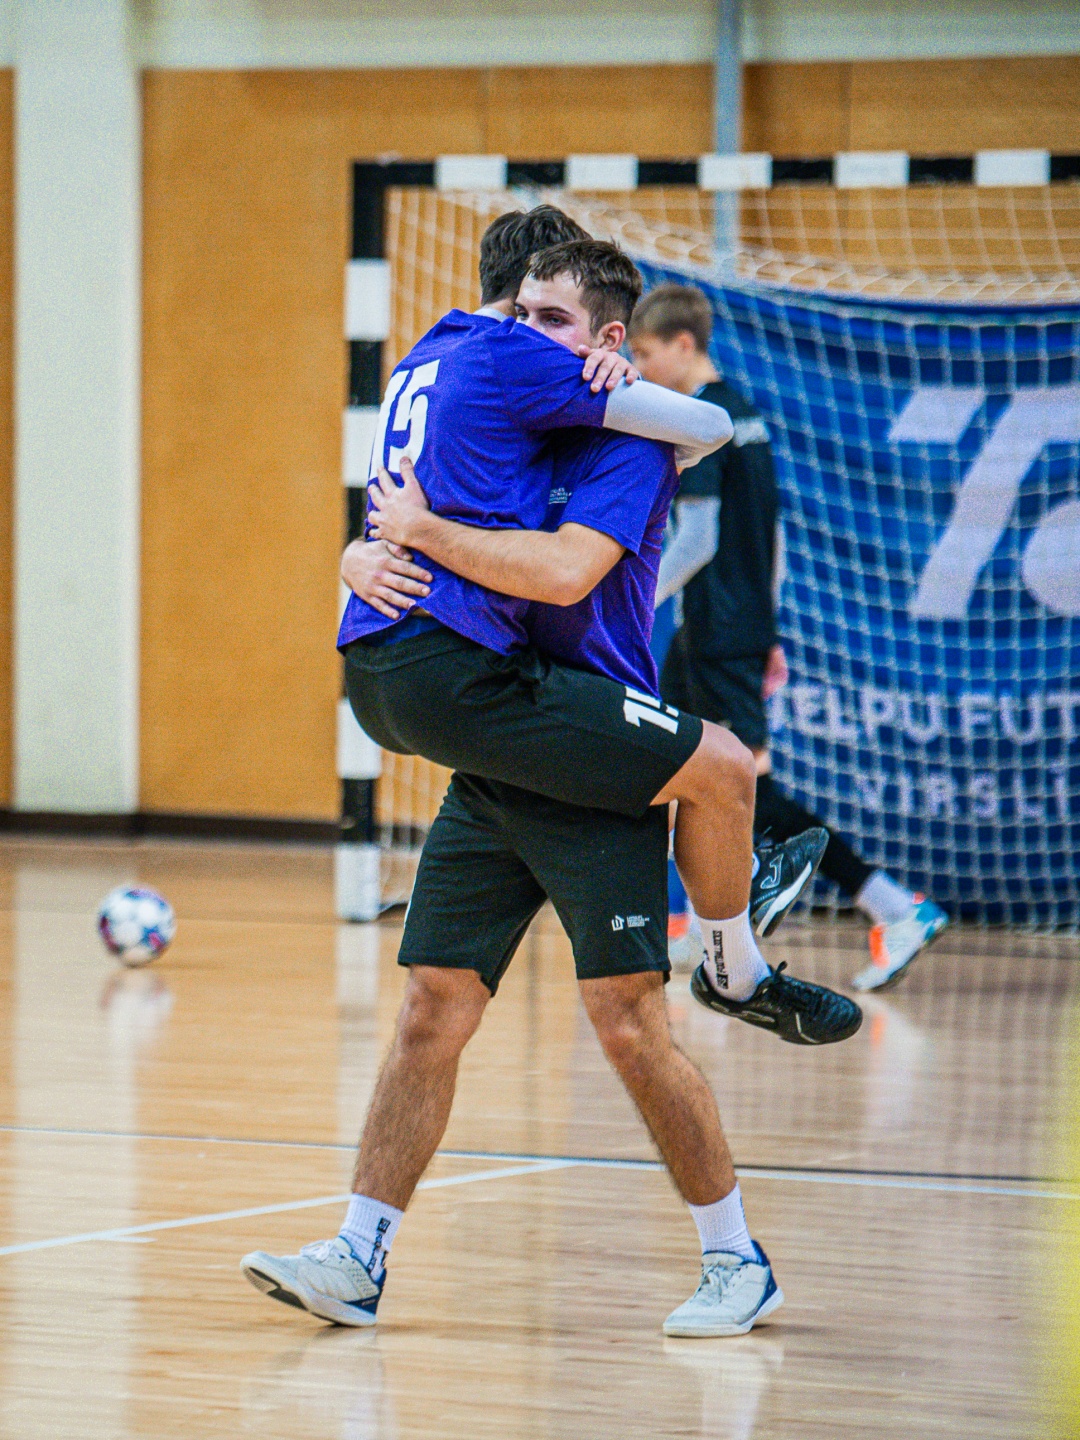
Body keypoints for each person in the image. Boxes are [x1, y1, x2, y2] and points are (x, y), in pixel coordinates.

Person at [240, 223, 857, 1342]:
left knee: (630, 1018)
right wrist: (364, 552)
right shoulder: (522, 421)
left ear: (609, 342)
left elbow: (566, 570)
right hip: (512, 731)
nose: (528, 334)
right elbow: (426, 517)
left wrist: (425, 531)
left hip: (587, 739)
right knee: (432, 1006)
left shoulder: (631, 444)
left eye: (554, 321)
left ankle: (737, 1237)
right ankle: (357, 1257)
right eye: (520, 316)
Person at [627, 282, 949, 992]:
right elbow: (768, 539)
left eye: (645, 353)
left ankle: (895, 907)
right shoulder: (748, 416)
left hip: (718, 634)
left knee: (747, 792)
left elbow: (699, 540)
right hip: (724, 632)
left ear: (683, 344)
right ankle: (705, 928)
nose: (640, 369)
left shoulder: (704, 421)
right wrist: (768, 627)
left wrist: (631, 601)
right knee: (677, 775)